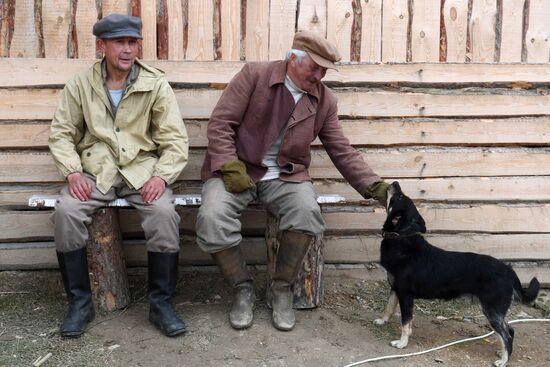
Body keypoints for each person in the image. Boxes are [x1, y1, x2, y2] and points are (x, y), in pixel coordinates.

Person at [196, 31, 390, 331]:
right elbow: (222, 123)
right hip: (237, 169)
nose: (319, 75)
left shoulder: (324, 100)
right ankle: (242, 289)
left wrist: (375, 186)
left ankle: (281, 288)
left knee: (306, 213)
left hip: (285, 176)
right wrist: (229, 166)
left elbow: (341, 149)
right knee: (212, 217)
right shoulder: (255, 75)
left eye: (324, 70)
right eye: (314, 67)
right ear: (293, 59)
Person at [48, 14, 189, 338]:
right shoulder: (80, 85)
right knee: (67, 213)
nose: (127, 50)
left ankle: (161, 304)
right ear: (102, 46)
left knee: (165, 214)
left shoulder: (155, 84)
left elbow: (175, 139)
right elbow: (61, 134)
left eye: (132, 42)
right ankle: (80, 304)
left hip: (142, 170)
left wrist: (162, 177)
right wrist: (71, 172)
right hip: (96, 171)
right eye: (119, 42)